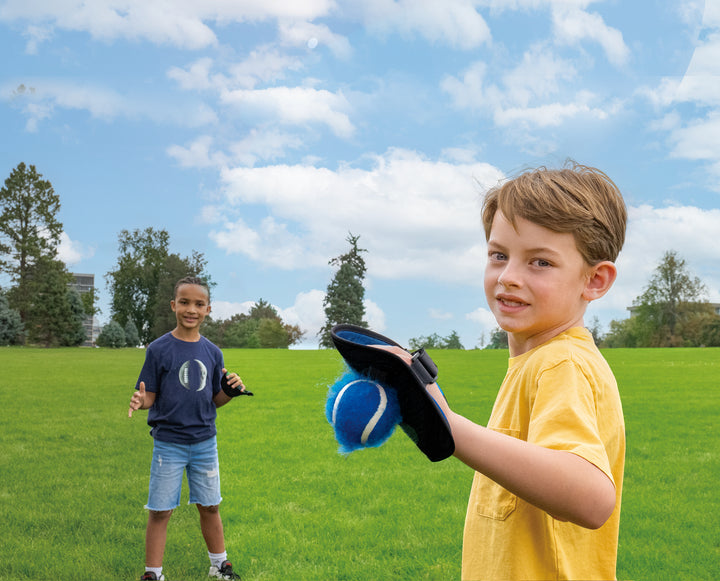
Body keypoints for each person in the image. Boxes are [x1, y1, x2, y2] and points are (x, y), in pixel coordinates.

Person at [381, 162, 627, 580]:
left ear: (595, 280)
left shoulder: (560, 363)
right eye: (499, 255)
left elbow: (591, 498)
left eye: (541, 263)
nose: (508, 277)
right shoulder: (535, 361)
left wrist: (448, 427)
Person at [128, 276, 249, 581]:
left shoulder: (213, 352)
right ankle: (153, 574)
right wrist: (142, 400)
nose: (190, 309)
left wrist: (230, 392)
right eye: (184, 302)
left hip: (204, 443)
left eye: (198, 304)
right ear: (174, 306)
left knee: (210, 506)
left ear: (208, 309)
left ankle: (219, 565)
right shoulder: (158, 349)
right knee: (160, 511)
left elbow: (214, 400)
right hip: (168, 444)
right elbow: (150, 394)